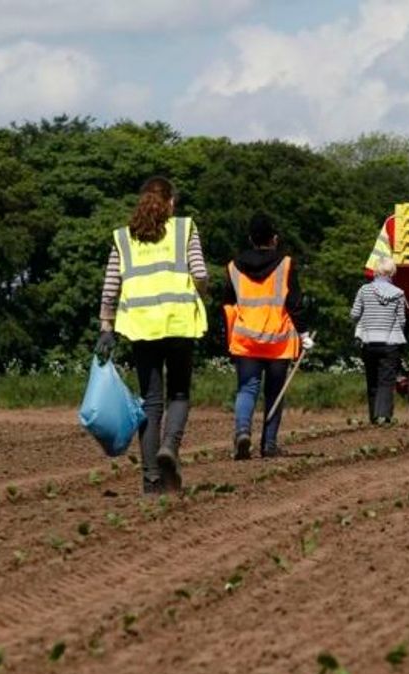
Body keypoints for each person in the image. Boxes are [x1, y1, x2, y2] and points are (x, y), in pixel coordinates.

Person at [96, 176, 208, 495]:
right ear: (171, 202)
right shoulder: (185, 229)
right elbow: (199, 273)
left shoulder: (123, 237)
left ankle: (151, 481)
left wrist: (106, 326)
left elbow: (110, 287)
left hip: (140, 326)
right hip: (178, 322)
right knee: (180, 394)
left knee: (150, 402)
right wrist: (201, 292)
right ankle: (170, 448)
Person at [223, 212, 312, 460]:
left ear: (251, 238)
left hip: (246, 341)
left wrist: (228, 339)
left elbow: (228, 306)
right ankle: (269, 445)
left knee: (247, 389)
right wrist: (304, 334)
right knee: (274, 392)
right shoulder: (285, 265)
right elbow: (295, 303)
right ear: (274, 238)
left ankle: (242, 432)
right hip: (278, 342)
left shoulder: (233, 267)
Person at [351, 257, 408, 423]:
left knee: (372, 379)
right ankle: (384, 415)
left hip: (368, 341)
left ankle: (373, 417)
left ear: (376, 271)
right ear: (392, 272)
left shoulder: (364, 290)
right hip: (390, 343)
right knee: (386, 380)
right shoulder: (399, 293)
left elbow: (354, 314)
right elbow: (402, 320)